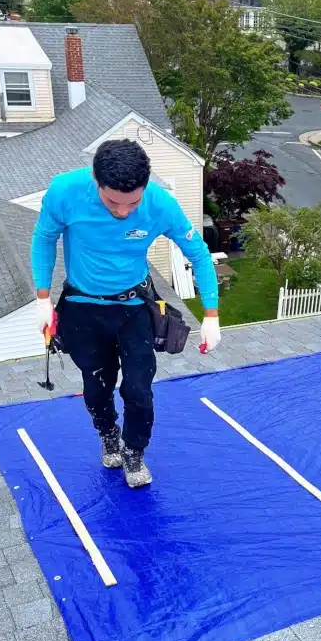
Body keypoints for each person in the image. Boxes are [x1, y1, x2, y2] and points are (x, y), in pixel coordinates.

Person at [31, 139, 221, 489]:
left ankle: (134, 451)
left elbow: (199, 253)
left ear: (145, 187)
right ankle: (108, 434)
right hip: (83, 309)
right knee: (97, 387)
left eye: (132, 203)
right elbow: (44, 238)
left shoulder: (160, 204)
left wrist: (211, 314)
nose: (122, 211)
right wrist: (43, 297)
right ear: (95, 181)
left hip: (133, 308)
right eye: (112, 202)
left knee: (138, 389)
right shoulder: (65, 192)